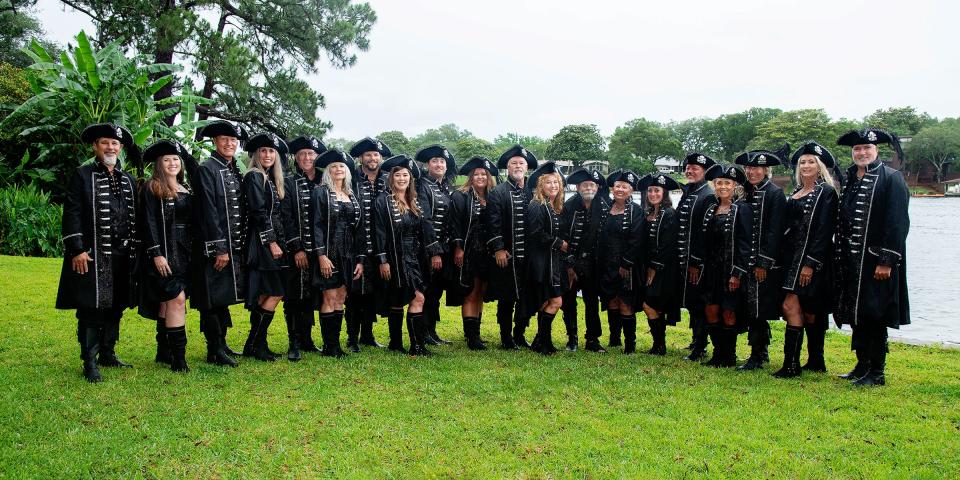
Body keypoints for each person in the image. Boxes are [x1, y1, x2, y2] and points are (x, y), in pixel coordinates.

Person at [56, 123, 139, 382]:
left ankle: (108, 353)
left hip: (123, 254)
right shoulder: (82, 175)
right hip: (93, 252)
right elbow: (72, 213)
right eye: (105, 143)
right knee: (92, 307)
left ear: (121, 148)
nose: (110, 147)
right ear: (95, 146)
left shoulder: (128, 179)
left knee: (116, 305)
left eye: (115, 144)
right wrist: (77, 249)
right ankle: (89, 361)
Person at [834, 128, 910, 386]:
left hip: (876, 262)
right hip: (851, 263)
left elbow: (897, 223)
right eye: (857, 149)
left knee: (875, 314)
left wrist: (886, 261)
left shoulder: (891, 178)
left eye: (867, 148)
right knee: (857, 314)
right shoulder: (850, 179)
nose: (862, 152)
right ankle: (862, 363)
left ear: (877, 150)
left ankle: (877, 372)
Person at [773, 141, 839, 378]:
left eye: (811, 162)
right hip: (792, 259)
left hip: (812, 260)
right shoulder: (796, 192)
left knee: (795, 306)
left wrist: (810, 264)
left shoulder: (826, 193)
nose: (806, 165)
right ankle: (814, 361)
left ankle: (792, 364)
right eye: (802, 162)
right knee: (806, 309)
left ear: (820, 166)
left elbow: (824, 231)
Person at [138, 140, 199, 373]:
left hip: (185, 253)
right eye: (167, 160)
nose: (172, 163)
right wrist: (156, 253)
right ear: (158, 164)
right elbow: (149, 223)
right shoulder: (152, 187)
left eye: (176, 159)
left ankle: (163, 351)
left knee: (168, 303)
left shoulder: (186, 188)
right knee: (177, 300)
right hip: (163, 253)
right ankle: (179, 359)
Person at [372, 155, 442, 356]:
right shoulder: (383, 201)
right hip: (396, 257)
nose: (402, 179)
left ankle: (406, 344)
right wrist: (382, 260)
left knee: (410, 297)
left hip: (415, 257)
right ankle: (414, 346)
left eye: (405, 175)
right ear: (391, 178)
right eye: (398, 175)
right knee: (410, 298)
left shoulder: (414, 200)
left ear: (410, 178)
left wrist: (432, 252)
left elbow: (425, 229)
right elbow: (379, 233)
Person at [193, 120, 248, 367]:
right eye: (225, 139)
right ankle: (214, 349)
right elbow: (208, 210)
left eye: (233, 140)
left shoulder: (232, 168)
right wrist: (220, 248)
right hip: (214, 248)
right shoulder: (207, 169)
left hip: (233, 246)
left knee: (223, 297)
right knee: (212, 298)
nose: (230, 143)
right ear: (215, 142)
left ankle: (221, 344)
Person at [734, 146, 789, 371]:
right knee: (750, 307)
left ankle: (758, 354)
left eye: (756, 168)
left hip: (762, 263)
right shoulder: (747, 192)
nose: (752, 172)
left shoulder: (775, 194)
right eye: (748, 168)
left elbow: (775, 232)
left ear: (766, 170)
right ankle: (760, 350)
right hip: (745, 260)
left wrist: (763, 262)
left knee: (758, 308)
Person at [311, 149, 366, 358]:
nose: (338, 169)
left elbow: (359, 229)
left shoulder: (352, 194)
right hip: (329, 250)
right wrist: (321, 255)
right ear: (328, 171)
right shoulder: (321, 192)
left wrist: (360, 259)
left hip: (349, 252)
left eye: (342, 166)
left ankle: (336, 345)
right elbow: (315, 225)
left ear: (347, 170)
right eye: (334, 166)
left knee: (341, 297)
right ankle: (329, 346)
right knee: (329, 296)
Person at [697, 165, 752, 367]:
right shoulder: (711, 210)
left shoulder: (742, 209)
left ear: (734, 185)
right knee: (711, 310)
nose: (722, 186)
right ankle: (717, 354)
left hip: (731, 270)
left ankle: (729, 356)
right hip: (711, 270)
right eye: (719, 183)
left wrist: (737, 273)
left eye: (727, 183)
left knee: (729, 312)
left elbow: (746, 244)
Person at [240, 133, 289, 362]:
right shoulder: (253, 177)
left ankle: (254, 344)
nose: (268, 155)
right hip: (262, 243)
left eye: (271, 151)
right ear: (256, 155)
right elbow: (258, 212)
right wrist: (271, 242)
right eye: (263, 151)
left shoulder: (271, 178)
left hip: (272, 242)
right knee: (275, 291)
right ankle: (256, 344)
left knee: (266, 294)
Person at [486, 145, 538, 349]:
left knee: (526, 297)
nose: (518, 166)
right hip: (507, 255)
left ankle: (520, 333)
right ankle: (506, 337)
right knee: (506, 297)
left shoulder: (533, 193)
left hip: (530, 255)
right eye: (513, 163)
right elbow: (492, 223)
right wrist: (498, 248)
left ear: (527, 168)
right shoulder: (497, 192)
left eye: (521, 163)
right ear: (507, 168)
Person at [280, 135, 326, 361]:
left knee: (311, 294)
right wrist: (296, 247)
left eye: (311, 154)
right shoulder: (288, 182)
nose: (307, 158)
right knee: (294, 295)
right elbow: (286, 217)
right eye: (303, 155)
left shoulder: (323, 181)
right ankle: (294, 342)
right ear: (296, 158)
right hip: (298, 249)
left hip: (320, 249)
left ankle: (307, 339)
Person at [448, 156, 498, 350]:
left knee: (481, 292)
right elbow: (454, 224)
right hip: (469, 250)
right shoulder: (461, 195)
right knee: (470, 291)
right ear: (470, 177)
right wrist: (458, 247)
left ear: (489, 177)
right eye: (476, 174)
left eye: (483, 174)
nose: (480, 177)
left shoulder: (493, 196)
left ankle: (476, 333)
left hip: (488, 251)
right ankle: (471, 338)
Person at [347, 137, 392, 351]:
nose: (372, 158)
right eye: (368, 155)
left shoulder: (387, 179)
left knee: (373, 292)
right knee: (356, 292)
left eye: (376, 155)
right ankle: (352, 337)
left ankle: (367, 334)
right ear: (360, 158)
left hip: (382, 245)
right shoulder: (352, 179)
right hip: (356, 242)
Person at [520, 162, 569, 355]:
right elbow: (535, 234)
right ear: (541, 185)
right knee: (555, 301)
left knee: (546, 302)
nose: (553, 186)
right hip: (541, 262)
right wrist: (559, 243)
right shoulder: (537, 205)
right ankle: (544, 341)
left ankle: (541, 342)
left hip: (552, 262)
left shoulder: (552, 206)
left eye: (556, 183)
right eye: (549, 183)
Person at [559, 168, 608, 352]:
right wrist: (569, 264)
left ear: (596, 187)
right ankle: (572, 338)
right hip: (571, 261)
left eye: (592, 185)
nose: (589, 188)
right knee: (569, 301)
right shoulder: (569, 206)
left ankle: (592, 339)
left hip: (592, 264)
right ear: (578, 187)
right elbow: (563, 236)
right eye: (585, 185)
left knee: (592, 301)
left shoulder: (603, 206)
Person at [676, 153, 719, 361]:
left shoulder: (708, 195)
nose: (689, 171)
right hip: (684, 259)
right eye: (688, 168)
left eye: (695, 168)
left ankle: (701, 346)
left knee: (700, 303)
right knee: (693, 302)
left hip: (699, 262)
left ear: (704, 172)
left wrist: (696, 261)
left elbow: (705, 234)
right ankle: (696, 340)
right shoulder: (691, 192)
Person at [598, 170, 644, 354]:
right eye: (617, 186)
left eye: (625, 187)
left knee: (626, 302)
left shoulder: (636, 211)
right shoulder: (606, 208)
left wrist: (626, 263)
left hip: (626, 266)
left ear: (631, 190)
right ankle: (614, 338)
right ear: (612, 188)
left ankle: (630, 344)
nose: (620, 189)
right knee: (611, 301)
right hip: (607, 264)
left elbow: (637, 239)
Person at [415, 144, 457, 345]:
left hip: (445, 248)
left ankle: (432, 331)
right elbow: (425, 220)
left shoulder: (447, 187)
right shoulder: (423, 185)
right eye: (435, 161)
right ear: (427, 165)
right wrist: (434, 251)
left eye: (442, 161)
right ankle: (423, 332)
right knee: (426, 290)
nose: (439, 164)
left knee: (436, 292)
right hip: (427, 249)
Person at [637, 173, 681, 355]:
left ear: (664, 193)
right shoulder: (648, 213)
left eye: (657, 190)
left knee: (651, 304)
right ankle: (658, 344)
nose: (653, 193)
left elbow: (667, 245)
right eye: (650, 190)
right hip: (648, 266)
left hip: (663, 269)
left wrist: (654, 269)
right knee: (652, 305)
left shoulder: (669, 214)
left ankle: (659, 344)